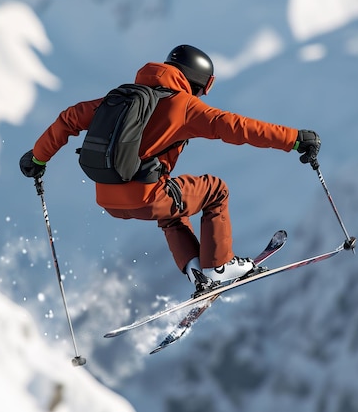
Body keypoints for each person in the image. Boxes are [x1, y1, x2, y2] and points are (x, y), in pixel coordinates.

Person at [20, 44, 320, 293]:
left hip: (108, 199)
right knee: (216, 190)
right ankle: (218, 267)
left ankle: (195, 271)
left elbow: (69, 118)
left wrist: (37, 158)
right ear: (198, 82)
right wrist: (294, 140)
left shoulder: (119, 100)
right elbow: (238, 127)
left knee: (173, 205)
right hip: (145, 196)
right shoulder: (184, 105)